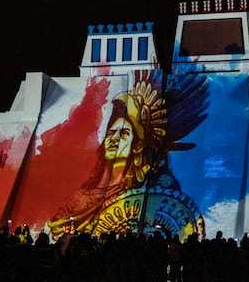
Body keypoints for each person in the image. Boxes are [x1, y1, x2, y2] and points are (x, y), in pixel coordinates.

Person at [47, 70, 208, 241]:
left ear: (137, 145)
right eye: (111, 132)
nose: (114, 139)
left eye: (123, 133)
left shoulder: (150, 182)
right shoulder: (80, 195)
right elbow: (58, 226)